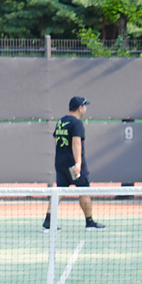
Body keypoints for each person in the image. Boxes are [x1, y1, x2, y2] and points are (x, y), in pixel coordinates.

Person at [42, 96, 106, 232]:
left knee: (59, 192)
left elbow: (56, 141)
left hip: (60, 163)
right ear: (80, 108)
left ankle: (48, 222)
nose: (86, 109)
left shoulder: (61, 121)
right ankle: (89, 222)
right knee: (84, 191)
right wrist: (78, 163)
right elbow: (76, 143)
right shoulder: (77, 123)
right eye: (85, 106)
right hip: (74, 165)